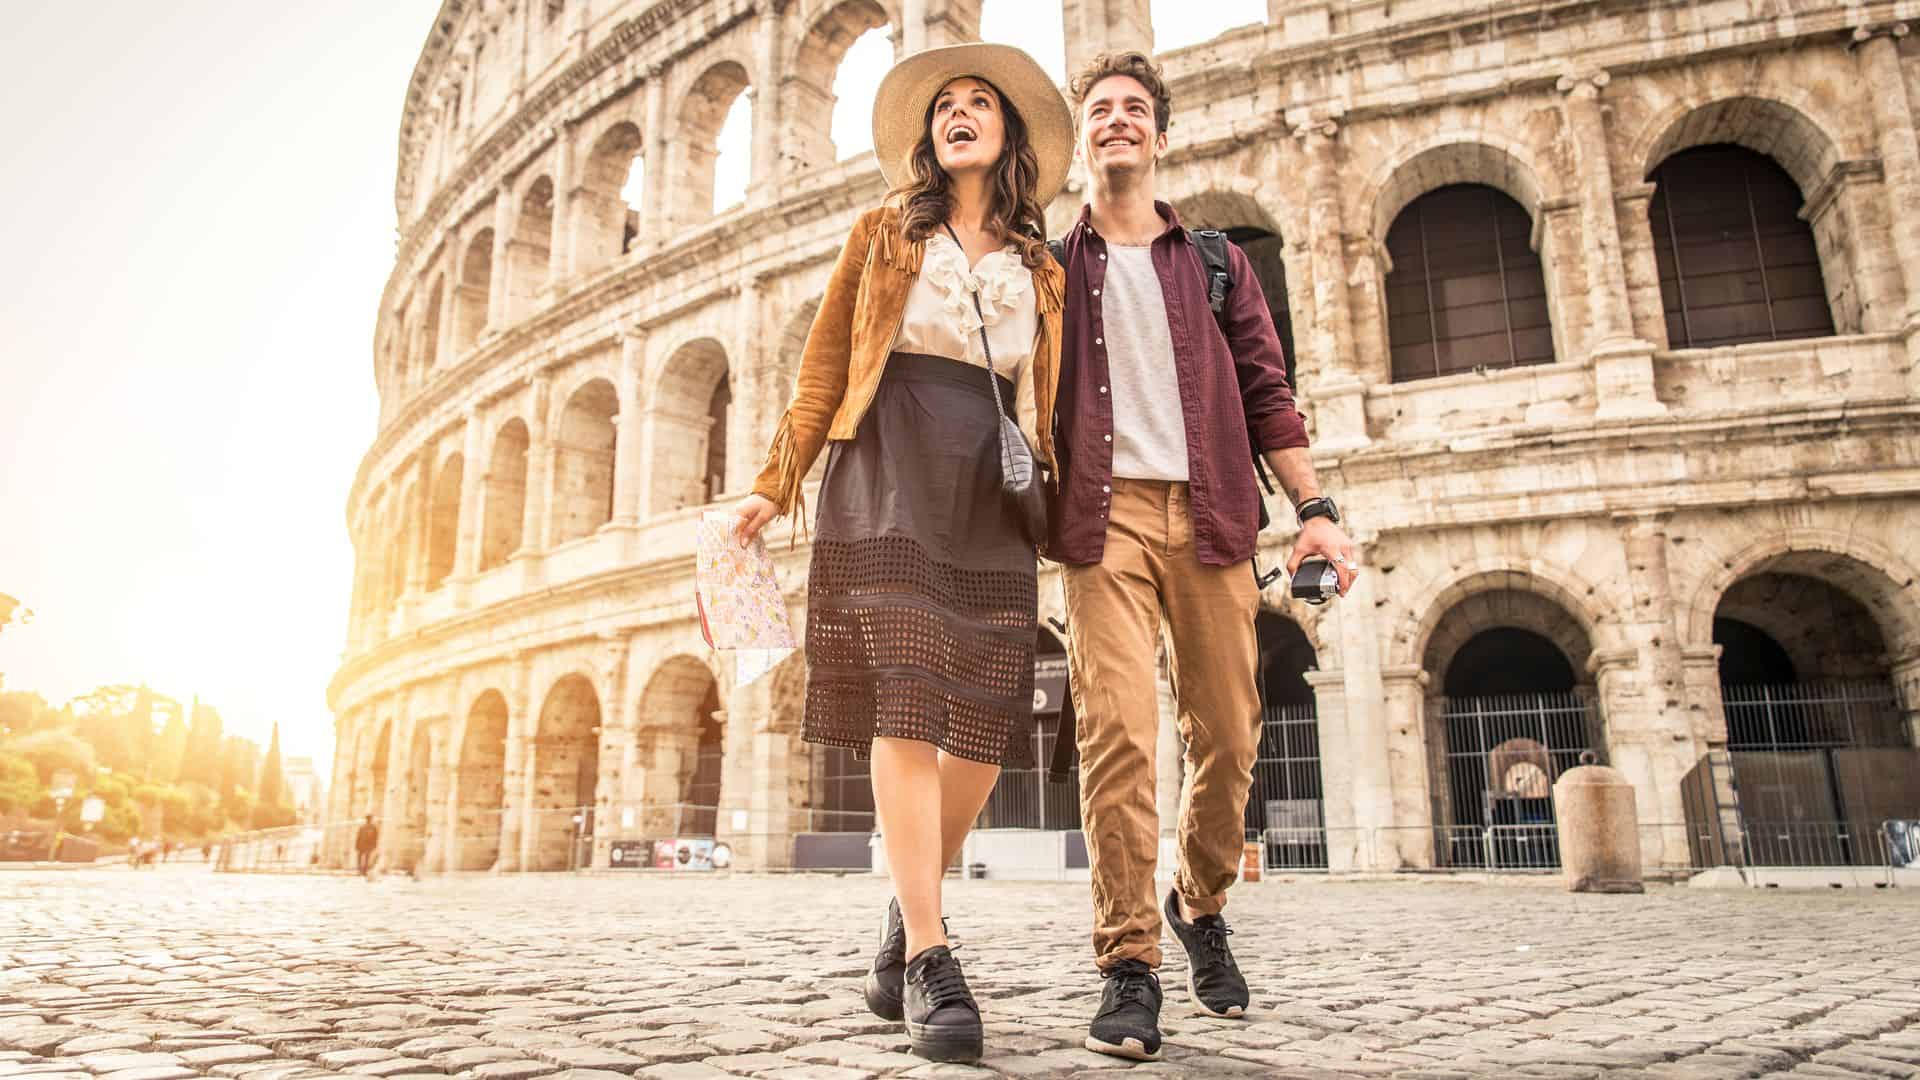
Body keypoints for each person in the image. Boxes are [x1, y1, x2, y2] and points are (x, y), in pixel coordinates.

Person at [732, 42, 1072, 1065]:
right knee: (909, 698)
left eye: (981, 104)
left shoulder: (1043, 265)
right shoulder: (882, 232)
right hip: (885, 460)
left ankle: (900, 910)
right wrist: (770, 484)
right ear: (928, 139)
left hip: (992, 477)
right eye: (946, 107)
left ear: (1010, 134)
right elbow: (823, 363)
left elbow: (1054, 399)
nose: (961, 115)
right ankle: (931, 953)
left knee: (984, 716)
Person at [1049, 52, 1360, 1061]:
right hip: (1102, 522)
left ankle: (1200, 902)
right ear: (1080, 138)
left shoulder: (1219, 263)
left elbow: (1269, 392)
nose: (1118, 122)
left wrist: (1313, 507)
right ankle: (1129, 964)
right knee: (1118, 734)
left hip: (1219, 514)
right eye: (1101, 110)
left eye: (1136, 110)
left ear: (1162, 137)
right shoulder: (1050, 269)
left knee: (1228, 733)